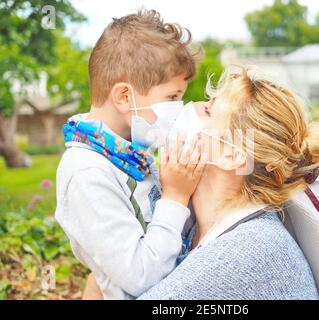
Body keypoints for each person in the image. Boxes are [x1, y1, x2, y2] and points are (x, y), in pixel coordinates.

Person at [84, 66, 319, 299]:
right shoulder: (202, 229)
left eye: (208, 110)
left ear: (232, 155)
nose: (188, 108)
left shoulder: (247, 249)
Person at [55, 9, 206, 300]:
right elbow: (140, 277)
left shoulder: (130, 155)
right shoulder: (87, 173)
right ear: (125, 97)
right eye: (172, 97)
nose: (178, 107)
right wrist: (175, 196)